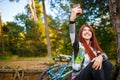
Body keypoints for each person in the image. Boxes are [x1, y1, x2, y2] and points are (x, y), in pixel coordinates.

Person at [69, 4, 112, 80]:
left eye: (89, 31)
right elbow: (72, 34)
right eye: (84, 30)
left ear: (92, 34)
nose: (87, 32)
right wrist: (72, 18)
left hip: (91, 76)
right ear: (81, 33)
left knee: (107, 64)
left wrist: (100, 57)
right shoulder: (78, 45)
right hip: (78, 77)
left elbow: (104, 55)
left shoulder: (94, 48)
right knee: (94, 63)